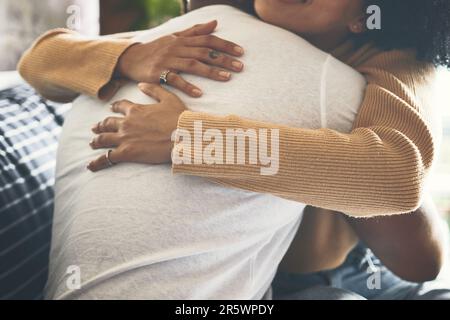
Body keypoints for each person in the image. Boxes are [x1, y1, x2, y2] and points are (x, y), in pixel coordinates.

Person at [18, 0, 449, 299]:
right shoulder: (218, 32)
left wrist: (187, 139)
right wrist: (132, 55)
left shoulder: (396, 59)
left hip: (341, 271)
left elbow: (393, 178)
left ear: (367, 14)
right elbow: (37, 61)